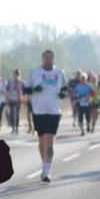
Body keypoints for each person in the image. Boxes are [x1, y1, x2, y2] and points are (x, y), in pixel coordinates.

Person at [27, 50, 67, 181]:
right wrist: (34, 89)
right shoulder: (35, 73)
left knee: (50, 141)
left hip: (54, 111)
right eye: (46, 57)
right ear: (42, 58)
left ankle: (47, 171)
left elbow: (65, 89)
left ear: (54, 59)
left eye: (50, 57)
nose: (48, 59)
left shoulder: (60, 73)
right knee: (42, 141)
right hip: (38, 111)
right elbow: (25, 89)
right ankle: (44, 164)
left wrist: (63, 94)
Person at [73, 72, 94, 136]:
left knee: (88, 116)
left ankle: (88, 125)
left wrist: (89, 96)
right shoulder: (78, 86)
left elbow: (94, 93)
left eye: (83, 79)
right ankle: (82, 131)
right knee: (80, 117)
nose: (82, 80)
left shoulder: (89, 86)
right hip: (80, 103)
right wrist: (76, 96)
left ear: (86, 79)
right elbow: (74, 93)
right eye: (81, 79)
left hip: (87, 103)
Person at [6, 69, 23, 135]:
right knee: (12, 114)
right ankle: (13, 128)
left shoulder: (21, 82)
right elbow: (7, 90)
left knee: (17, 114)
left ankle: (17, 128)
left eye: (15, 74)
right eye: (13, 74)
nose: (13, 75)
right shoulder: (10, 81)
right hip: (11, 99)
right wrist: (7, 98)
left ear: (18, 75)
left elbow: (23, 91)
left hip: (18, 99)